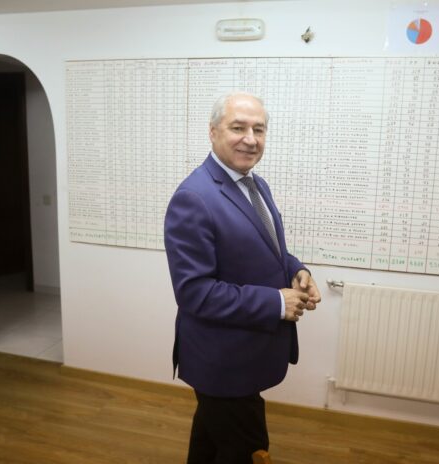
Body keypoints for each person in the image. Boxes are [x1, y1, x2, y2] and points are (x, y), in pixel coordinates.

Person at [164, 92, 322, 464]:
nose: (250, 139)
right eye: (238, 128)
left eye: (258, 129)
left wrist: (297, 271)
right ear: (213, 131)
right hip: (223, 363)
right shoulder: (194, 197)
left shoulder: (255, 184)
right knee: (249, 451)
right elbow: (194, 292)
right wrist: (278, 302)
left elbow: (269, 251)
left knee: (210, 446)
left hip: (243, 356)